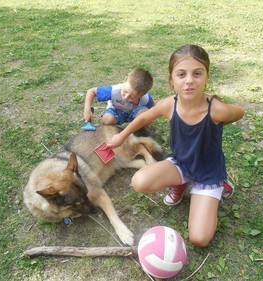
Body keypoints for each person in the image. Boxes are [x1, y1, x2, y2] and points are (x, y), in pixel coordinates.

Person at [107, 44, 244, 247]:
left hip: (208, 173)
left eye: (197, 73)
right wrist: (121, 136)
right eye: (181, 74)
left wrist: (220, 110)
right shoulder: (169, 104)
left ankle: (216, 189)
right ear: (172, 81)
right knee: (139, 181)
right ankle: (181, 182)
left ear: (206, 77)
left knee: (199, 239)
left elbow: (239, 112)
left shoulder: (216, 110)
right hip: (181, 163)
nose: (189, 80)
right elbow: (144, 118)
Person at [83, 68, 154, 126]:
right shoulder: (114, 91)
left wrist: (147, 119)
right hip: (116, 111)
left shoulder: (146, 99)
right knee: (107, 119)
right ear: (125, 80)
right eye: (125, 91)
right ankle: (113, 130)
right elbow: (91, 92)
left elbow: (153, 110)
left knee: (147, 116)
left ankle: (138, 129)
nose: (126, 97)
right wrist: (87, 110)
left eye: (132, 97)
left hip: (133, 113)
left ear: (142, 95)